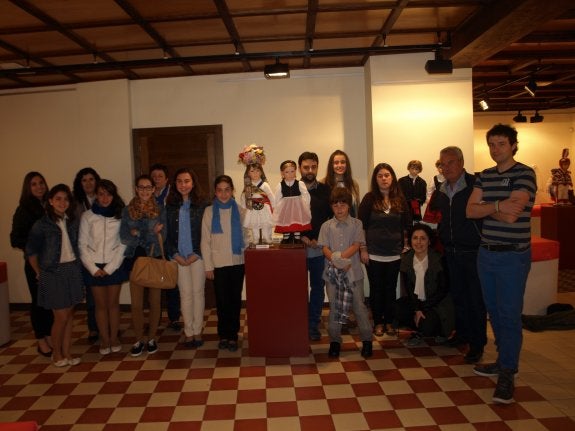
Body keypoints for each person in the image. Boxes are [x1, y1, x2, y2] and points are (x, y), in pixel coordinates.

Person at [467, 123, 537, 404]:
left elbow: (513, 216)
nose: (496, 149)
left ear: (513, 146)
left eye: (501, 144)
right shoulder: (484, 175)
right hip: (487, 254)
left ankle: (508, 371)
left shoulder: (525, 174)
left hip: (513, 255)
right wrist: (498, 206)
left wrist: (488, 208)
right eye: (492, 144)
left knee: (509, 314)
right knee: (494, 313)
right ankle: (502, 359)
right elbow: (470, 211)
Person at [436, 146, 486, 363]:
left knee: (475, 299)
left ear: (461, 162)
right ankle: (463, 335)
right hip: (451, 251)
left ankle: (477, 343)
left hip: (473, 252)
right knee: (458, 297)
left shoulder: (476, 185)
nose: (446, 167)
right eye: (442, 164)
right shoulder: (441, 190)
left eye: (451, 162)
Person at [26, 184, 84, 367]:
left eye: (66, 199)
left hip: (72, 270)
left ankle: (67, 352)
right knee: (60, 317)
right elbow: (31, 251)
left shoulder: (72, 221)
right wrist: (38, 272)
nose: (62, 202)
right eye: (58, 198)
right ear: (50, 201)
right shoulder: (41, 224)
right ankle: (57, 354)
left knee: (69, 316)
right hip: (53, 272)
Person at [358, 163, 412, 337]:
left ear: (392, 177)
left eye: (387, 175)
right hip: (373, 253)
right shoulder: (369, 199)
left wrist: (405, 245)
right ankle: (378, 323)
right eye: (380, 175)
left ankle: (389, 321)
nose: (384, 178)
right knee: (376, 288)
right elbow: (361, 227)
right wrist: (363, 249)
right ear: (375, 179)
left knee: (390, 288)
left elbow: (406, 225)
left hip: (394, 254)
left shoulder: (400, 199)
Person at [318, 187, 372, 358]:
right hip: (332, 276)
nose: (339, 208)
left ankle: (367, 341)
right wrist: (337, 261)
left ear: (349, 205)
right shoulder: (326, 226)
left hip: (353, 274)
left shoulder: (357, 223)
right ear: (331, 207)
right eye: (335, 205)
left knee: (359, 307)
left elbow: (357, 245)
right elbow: (324, 247)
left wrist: (339, 259)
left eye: (343, 204)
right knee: (335, 307)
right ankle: (335, 341)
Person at [79, 179, 127, 356]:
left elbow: (124, 243)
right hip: (94, 264)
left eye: (108, 194)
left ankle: (114, 338)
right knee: (100, 305)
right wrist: (93, 268)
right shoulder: (87, 216)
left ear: (113, 196)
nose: (105, 198)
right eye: (101, 194)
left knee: (113, 304)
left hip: (114, 265)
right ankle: (104, 339)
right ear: (96, 196)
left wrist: (110, 267)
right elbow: (82, 245)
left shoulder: (121, 215)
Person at [120, 175, 166, 356]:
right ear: (136, 189)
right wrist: (148, 232)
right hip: (134, 260)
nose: (145, 191)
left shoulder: (161, 210)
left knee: (154, 302)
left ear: (154, 189)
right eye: (141, 187)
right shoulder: (127, 211)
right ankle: (139, 339)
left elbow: (165, 235)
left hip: (154, 258)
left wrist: (137, 233)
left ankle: (152, 337)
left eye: (149, 187)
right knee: (137, 304)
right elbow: (124, 236)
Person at [10, 171, 54, 357]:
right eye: (34, 184)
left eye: (41, 183)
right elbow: (16, 238)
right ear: (28, 188)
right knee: (38, 302)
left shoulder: (50, 205)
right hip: (35, 262)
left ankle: (50, 334)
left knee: (49, 301)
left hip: (52, 262)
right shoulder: (24, 209)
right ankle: (41, 340)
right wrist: (34, 248)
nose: (39, 187)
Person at [201, 175, 246, 352]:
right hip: (218, 264)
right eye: (220, 190)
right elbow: (205, 241)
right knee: (222, 301)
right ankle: (223, 335)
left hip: (237, 262)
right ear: (215, 192)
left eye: (227, 189)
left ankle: (233, 335)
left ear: (232, 190)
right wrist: (208, 266)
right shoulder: (209, 212)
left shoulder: (241, 211)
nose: (223, 193)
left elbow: (247, 236)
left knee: (234, 301)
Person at [166, 168, 209, 348]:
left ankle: (197, 331)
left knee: (198, 294)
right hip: (178, 258)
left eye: (187, 181)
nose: (183, 185)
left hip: (197, 257)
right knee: (185, 295)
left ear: (193, 183)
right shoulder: (169, 207)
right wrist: (175, 254)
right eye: (179, 181)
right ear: (175, 184)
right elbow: (167, 235)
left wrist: (196, 253)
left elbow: (206, 233)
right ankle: (188, 331)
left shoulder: (203, 205)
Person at [396, 224, 454, 346]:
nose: (418, 242)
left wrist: (422, 308)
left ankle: (439, 331)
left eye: (423, 238)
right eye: (415, 238)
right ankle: (419, 330)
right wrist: (417, 309)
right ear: (410, 241)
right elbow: (409, 289)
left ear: (429, 241)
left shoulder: (438, 259)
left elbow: (443, 289)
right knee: (396, 309)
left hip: (437, 304)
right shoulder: (406, 259)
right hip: (418, 302)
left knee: (427, 324)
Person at [298, 152, 333, 340]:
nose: (310, 171)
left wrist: (319, 239)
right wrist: (302, 236)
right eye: (306, 167)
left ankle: (313, 325)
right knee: (298, 287)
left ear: (317, 167)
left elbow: (330, 218)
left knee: (318, 287)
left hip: (319, 248)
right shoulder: (292, 189)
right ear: (299, 168)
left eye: (313, 167)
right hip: (298, 248)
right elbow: (288, 217)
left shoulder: (326, 190)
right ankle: (299, 323)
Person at [150, 163, 181, 332]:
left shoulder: (172, 195)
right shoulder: (147, 196)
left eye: (160, 176)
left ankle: (174, 317)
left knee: (171, 282)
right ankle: (155, 317)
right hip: (153, 246)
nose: (156, 179)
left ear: (167, 179)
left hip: (170, 244)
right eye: (154, 176)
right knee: (154, 282)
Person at [72, 167, 101, 343]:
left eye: (91, 179)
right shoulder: (74, 203)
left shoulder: (103, 197)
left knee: (104, 294)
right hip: (84, 254)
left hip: (103, 253)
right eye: (84, 180)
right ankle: (93, 328)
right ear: (79, 183)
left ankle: (106, 326)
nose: (88, 183)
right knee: (91, 293)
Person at [273, 160, 312, 244]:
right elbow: (277, 197)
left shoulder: (300, 183)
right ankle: (286, 237)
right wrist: (277, 208)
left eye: (292, 171)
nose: (290, 174)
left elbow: (306, 195)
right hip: (285, 207)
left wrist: (306, 205)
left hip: (298, 207)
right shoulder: (280, 185)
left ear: (295, 171)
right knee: (286, 222)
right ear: (282, 173)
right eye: (287, 172)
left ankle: (297, 237)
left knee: (297, 220)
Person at [239, 163, 274, 244]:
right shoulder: (248, 186)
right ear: (248, 173)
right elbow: (244, 196)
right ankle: (256, 238)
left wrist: (274, 206)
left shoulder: (265, 185)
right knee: (254, 224)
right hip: (252, 207)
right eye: (252, 171)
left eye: (257, 171)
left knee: (265, 223)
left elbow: (271, 195)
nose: (255, 173)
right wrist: (244, 207)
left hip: (264, 206)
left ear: (261, 172)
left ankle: (266, 237)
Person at [322, 150, 360, 216]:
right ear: (331, 165)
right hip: (330, 225)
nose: (340, 165)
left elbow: (357, 208)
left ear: (347, 164)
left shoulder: (354, 184)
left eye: (343, 162)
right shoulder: (323, 183)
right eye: (336, 163)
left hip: (351, 224)